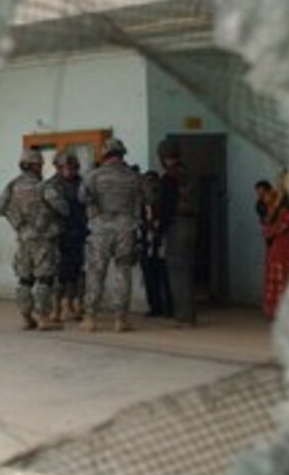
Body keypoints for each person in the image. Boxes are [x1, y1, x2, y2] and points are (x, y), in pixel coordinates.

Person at [0, 148, 68, 330]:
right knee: (45, 278)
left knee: (25, 279)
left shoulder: (12, 185)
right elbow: (62, 208)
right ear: (35, 165)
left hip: (24, 238)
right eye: (40, 164)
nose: (42, 167)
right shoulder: (43, 186)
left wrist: (17, 219)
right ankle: (43, 317)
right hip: (44, 239)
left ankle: (26, 317)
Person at [79, 137, 142, 333]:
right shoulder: (133, 177)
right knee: (123, 272)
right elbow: (145, 199)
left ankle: (90, 318)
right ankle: (120, 320)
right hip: (125, 228)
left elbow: (82, 197)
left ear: (105, 154)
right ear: (122, 154)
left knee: (96, 272)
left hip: (100, 229)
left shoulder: (93, 176)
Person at [158, 139, 199, 325]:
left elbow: (166, 207)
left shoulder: (168, 178)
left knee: (176, 271)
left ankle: (183, 316)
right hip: (192, 223)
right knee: (188, 270)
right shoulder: (191, 174)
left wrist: (160, 231)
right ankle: (191, 313)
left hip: (176, 224)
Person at [45, 149, 88, 323]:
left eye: (72, 167)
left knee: (75, 272)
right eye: (65, 167)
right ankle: (56, 308)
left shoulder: (82, 183)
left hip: (78, 233)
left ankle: (70, 306)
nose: (69, 171)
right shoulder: (51, 185)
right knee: (58, 273)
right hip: (58, 234)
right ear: (58, 167)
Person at [260, 174, 289, 319]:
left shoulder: (287, 207)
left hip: (286, 246)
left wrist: (268, 232)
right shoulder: (280, 204)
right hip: (283, 246)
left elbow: (277, 226)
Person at [138, 170, 171, 317]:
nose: (150, 187)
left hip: (161, 242)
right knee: (149, 276)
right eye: (147, 183)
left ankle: (168, 306)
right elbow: (139, 221)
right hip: (147, 243)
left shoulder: (164, 202)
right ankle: (154, 306)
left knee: (164, 275)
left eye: (153, 183)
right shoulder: (141, 204)